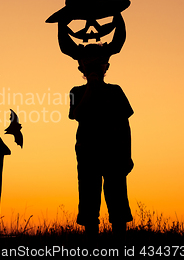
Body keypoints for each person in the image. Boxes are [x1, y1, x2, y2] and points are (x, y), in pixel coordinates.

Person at [67, 41, 134, 243]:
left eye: (99, 63)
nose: (95, 68)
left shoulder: (115, 91)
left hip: (114, 153)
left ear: (106, 67)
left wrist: (128, 155)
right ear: (82, 68)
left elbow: (125, 124)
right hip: (88, 153)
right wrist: (91, 87)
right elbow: (76, 114)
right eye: (89, 64)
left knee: (118, 201)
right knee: (88, 200)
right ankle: (91, 247)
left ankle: (120, 246)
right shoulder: (76, 91)